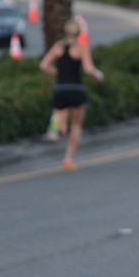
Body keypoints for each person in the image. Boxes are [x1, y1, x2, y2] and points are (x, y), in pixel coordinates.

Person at [39, 18, 104, 170]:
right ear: (79, 32)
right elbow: (88, 69)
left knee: (60, 113)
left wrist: (56, 71)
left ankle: (58, 127)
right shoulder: (81, 47)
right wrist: (98, 74)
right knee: (76, 124)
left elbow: (43, 65)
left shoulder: (57, 46)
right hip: (76, 89)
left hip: (60, 88)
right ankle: (68, 159)